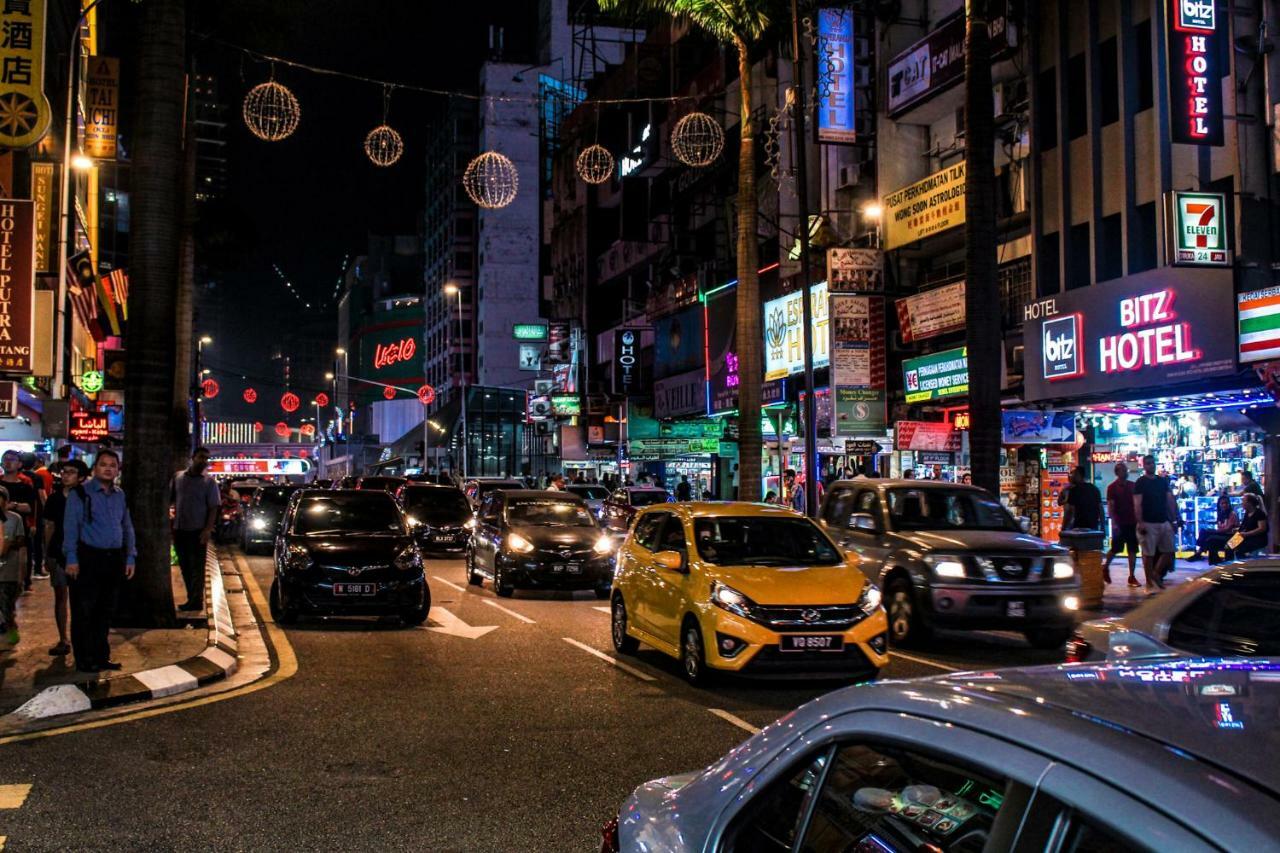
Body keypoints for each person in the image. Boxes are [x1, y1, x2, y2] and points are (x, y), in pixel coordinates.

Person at [63, 450, 136, 674]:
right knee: (84, 610)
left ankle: (101, 656)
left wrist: (130, 556)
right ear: (94, 469)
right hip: (87, 558)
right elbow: (70, 527)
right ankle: (84, 659)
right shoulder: (80, 494)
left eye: (112, 465)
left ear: (117, 470)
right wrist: (72, 558)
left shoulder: (119, 494)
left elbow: (127, 526)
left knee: (105, 611)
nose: (108, 468)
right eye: (103, 464)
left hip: (113, 559)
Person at [42, 459, 89, 656]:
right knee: (61, 596)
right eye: (64, 472)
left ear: (80, 477)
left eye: (71, 472)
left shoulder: (86, 498)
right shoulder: (54, 499)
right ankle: (63, 638)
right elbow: (49, 526)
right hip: (58, 552)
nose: (66, 475)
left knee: (82, 598)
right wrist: (47, 554)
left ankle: (82, 638)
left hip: (82, 553)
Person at [168, 447, 221, 612]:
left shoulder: (209, 482)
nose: (203, 461)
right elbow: (171, 499)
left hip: (197, 531)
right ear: (193, 457)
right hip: (180, 529)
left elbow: (214, 507)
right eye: (201, 457)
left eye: (206, 458)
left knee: (197, 568)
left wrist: (207, 530)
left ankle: (196, 601)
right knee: (184, 566)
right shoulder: (178, 477)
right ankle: (192, 598)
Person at [1133, 454, 1179, 591]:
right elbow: (1137, 503)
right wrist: (1140, 522)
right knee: (1148, 554)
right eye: (1148, 463)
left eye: (1152, 463)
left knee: (1169, 550)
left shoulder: (1161, 481)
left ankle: (1156, 573)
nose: (1150, 465)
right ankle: (1149, 583)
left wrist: (1173, 519)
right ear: (1144, 465)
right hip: (1148, 522)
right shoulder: (1140, 482)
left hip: (1163, 520)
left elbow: (1170, 500)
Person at [0, 450, 39, 591]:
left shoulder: (25, 486)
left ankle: (22, 581)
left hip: (20, 529)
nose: (8, 462)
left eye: (12, 459)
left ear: (20, 464)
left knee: (21, 556)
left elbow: (29, 507)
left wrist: (12, 505)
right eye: (6, 459)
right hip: (2, 528)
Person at [1104, 462, 1140, 587]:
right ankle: (1105, 566)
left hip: (1132, 522)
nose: (1125, 472)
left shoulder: (1132, 486)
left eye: (1126, 470)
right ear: (1117, 472)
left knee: (1132, 550)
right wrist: (1114, 522)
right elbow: (1111, 506)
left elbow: (1137, 504)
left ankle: (1132, 576)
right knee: (1115, 549)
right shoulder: (1112, 487)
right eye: (1123, 470)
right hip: (1120, 522)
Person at [0, 487, 24, 645]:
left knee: (6, 603)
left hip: (8, 570)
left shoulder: (14, 518)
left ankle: (10, 627)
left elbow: (21, 541)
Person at [1191, 494, 1239, 564]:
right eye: (1222, 503)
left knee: (1207, 535)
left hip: (1231, 536)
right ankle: (1202, 554)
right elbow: (1221, 528)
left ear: (1229, 504)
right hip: (1223, 534)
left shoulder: (1232, 514)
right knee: (1204, 532)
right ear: (1219, 504)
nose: (1224, 505)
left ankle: (1199, 553)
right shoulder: (1221, 514)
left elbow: (1227, 529)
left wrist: (1216, 531)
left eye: (1226, 503)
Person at [1228, 493, 1269, 560]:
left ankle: (1243, 565)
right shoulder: (1247, 513)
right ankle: (1228, 565)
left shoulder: (1259, 513)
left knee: (1239, 548)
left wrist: (1246, 534)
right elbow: (1245, 526)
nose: (1242, 503)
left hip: (1257, 539)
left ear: (1249, 503)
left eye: (1243, 501)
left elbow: (1262, 528)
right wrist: (1237, 530)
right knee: (1229, 546)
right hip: (1244, 536)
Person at [1061, 466, 1102, 531]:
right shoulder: (1094, 489)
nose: (1072, 476)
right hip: (1093, 529)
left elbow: (1069, 512)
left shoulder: (1074, 490)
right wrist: (1103, 528)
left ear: (1079, 475)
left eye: (1074, 474)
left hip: (1078, 529)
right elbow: (1100, 509)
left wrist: (1063, 528)